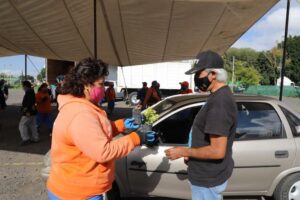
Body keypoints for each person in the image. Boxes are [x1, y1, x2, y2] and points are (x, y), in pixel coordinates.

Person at [47, 57, 158, 200]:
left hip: (76, 187)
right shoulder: (80, 114)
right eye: (101, 84)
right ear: (86, 85)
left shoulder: (80, 107)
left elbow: (94, 133)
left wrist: (121, 125)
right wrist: (137, 137)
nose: (103, 89)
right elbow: (103, 151)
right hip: (78, 193)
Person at [165, 50, 237, 200]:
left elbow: (217, 151)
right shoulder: (216, 96)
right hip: (206, 175)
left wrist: (184, 152)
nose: (196, 78)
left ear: (213, 74)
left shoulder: (220, 103)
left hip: (207, 179)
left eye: (199, 74)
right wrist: (192, 152)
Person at [19, 80, 39, 145]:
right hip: (33, 111)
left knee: (22, 125)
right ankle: (35, 138)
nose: (22, 88)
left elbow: (29, 103)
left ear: (25, 86)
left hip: (29, 111)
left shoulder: (29, 92)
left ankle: (26, 139)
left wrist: (27, 111)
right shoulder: (31, 91)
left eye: (23, 86)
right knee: (32, 125)